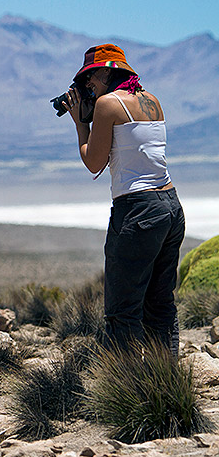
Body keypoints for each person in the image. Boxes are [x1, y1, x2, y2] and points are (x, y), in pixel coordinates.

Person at [61, 44, 185, 357]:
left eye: (91, 77)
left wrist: (81, 124)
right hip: (170, 206)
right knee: (160, 305)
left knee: (122, 310)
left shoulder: (107, 105)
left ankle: (125, 389)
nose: (88, 85)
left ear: (107, 72)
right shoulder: (152, 100)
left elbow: (94, 162)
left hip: (138, 211)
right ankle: (165, 381)